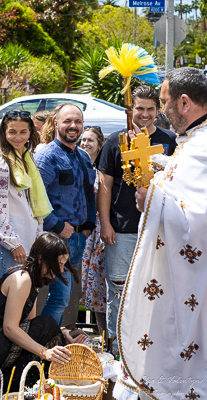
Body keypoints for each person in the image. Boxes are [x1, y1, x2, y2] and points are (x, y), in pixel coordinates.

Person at [118, 68, 207, 399]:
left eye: (166, 102)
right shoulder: (192, 143)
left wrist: (150, 197)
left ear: (184, 102)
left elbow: (198, 216)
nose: (163, 110)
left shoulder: (202, 146)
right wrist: (159, 170)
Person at [96, 85, 177, 346]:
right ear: (130, 109)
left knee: (153, 290)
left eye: (150, 109)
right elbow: (105, 184)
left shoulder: (169, 140)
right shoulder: (114, 141)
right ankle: (117, 349)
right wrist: (106, 223)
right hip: (121, 230)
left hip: (157, 230)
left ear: (157, 110)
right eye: (139, 108)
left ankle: (148, 349)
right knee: (118, 290)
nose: (144, 114)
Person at [0, 232, 75, 399]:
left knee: (47, 325)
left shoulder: (32, 281)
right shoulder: (22, 279)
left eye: (63, 264)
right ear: (41, 258)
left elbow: (31, 325)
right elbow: (10, 328)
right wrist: (44, 352)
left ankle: (30, 386)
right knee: (47, 324)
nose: (60, 270)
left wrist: (62, 333)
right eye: (58, 263)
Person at [34, 103, 96, 327]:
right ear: (56, 123)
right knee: (59, 298)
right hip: (58, 239)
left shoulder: (83, 156)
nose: (73, 126)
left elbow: (89, 192)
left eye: (78, 122)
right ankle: (45, 349)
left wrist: (89, 225)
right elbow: (35, 196)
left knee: (67, 298)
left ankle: (56, 344)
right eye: (67, 121)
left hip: (79, 238)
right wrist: (57, 225)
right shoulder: (46, 156)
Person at [0, 110, 47, 288]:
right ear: (4, 132)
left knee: (21, 305)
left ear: (30, 133)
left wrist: (38, 237)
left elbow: (32, 204)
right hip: (8, 248)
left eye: (23, 132)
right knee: (2, 307)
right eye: (12, 132)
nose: (17, 137)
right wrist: (13, 243)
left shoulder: (26, 159)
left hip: (26, 243)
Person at [79, 127, 107, 334]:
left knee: (100, 283)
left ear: (100, 144)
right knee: (87, 284)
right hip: (85, 231)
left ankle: (105, 334)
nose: (85, 143)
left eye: (90, 140)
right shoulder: (79, 165)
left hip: (100, 229)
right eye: (83, 140)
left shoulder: (104, 170)